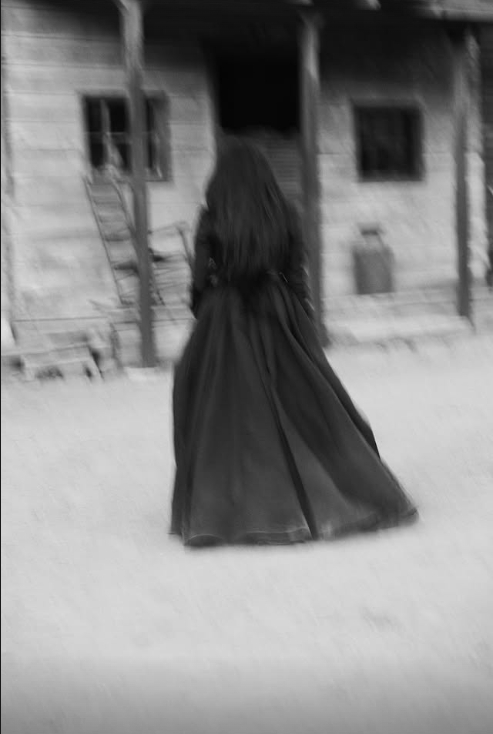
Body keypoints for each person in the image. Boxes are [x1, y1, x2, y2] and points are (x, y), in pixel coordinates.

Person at [171, 140, 417, 547]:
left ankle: (229, 504)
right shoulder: (285, 213)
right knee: (306, 402)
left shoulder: (212, 216)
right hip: (277, 310)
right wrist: (303, 327)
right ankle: (322, 492)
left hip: (224, 312)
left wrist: (204, 312)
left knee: (219, 408)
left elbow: (199, 279)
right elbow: (296, 275)